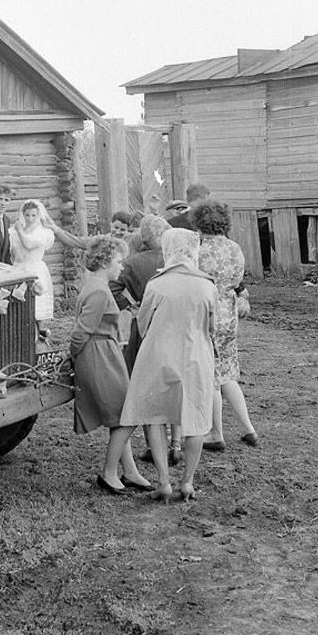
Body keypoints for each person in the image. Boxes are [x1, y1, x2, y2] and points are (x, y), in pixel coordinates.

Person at [116, 229, 217, 503]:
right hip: (196, 355)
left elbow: (142, 321)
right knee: (196, 419)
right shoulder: (207, 285)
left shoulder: (157, 284)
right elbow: (212, 326)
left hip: (159, 354)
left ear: (169, 250)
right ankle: (187, 481)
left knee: (155, 414)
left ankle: (163, 481)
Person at [70, 235, 152, 495]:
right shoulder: (97, 290)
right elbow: (80, 333)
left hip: (106, 352)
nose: (122, 266)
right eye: (118, 261)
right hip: (97, 355)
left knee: (122, 414)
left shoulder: (97, 285)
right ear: (105, 261)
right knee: (127, 416)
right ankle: (108, 472)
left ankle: (130, 471)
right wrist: (73, 358)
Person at [110, 215, 183, 465]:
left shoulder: (132, 263)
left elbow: (112, 286)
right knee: (175, 383)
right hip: (175, 327)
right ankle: (176, 443)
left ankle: (154, 446)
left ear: (144, 237)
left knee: (145, 384)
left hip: (146, 327)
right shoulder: (179, 261)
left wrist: (130, 305)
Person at [192, 200, 258, 450]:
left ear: (199, 222)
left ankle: (215, 433)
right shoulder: (234, 247)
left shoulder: (198, 249)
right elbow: (238, 280)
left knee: (210, 374)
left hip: (207, 310)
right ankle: (249, 429)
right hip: (228, 312)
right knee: (227, 372)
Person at [9, 199, 55, 325]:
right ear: (23, 215)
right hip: (19, 268)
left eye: (33, 215)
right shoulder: (13, 232)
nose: (30, 218)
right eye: (27, 215)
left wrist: (19, 230)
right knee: (19, 306)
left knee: (36, 306)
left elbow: (28, 244)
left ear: (38, 215)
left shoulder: (42, 232)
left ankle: (40, 333)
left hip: (34, 269)